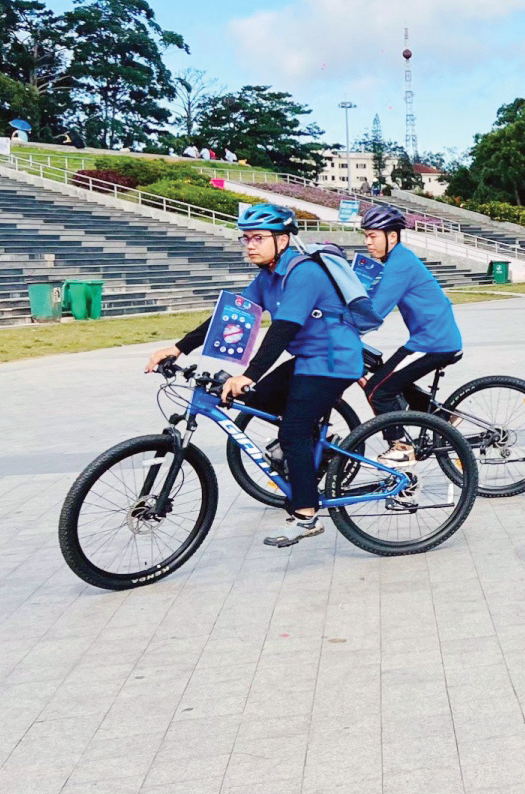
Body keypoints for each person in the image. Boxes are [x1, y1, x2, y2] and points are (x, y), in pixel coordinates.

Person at [144, 204, 364, 547]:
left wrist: (249, 373)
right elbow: (231, 318)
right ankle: (306, 448)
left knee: (291, 429)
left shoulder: (304, 273)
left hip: (334, 360)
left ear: (283, 239)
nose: (250, 244)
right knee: (253, 400)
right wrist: (178, 348)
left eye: (258, 238)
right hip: (308, 359)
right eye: (246, 238)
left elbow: (283, 330)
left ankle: (306, 515)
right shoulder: (267, 277)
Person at [356, 204, 463, 461]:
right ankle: (443, 417)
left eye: (372, 236)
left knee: (377, 391)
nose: (367, 242)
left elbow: (376, 311)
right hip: (432, 338)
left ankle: (401, 448)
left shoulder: (400, 264)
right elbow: (370, 297)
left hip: (432, 342)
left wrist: (342, 327)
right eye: (366, 236)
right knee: (386, 375)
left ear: (392, 236)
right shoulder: (397, 260)